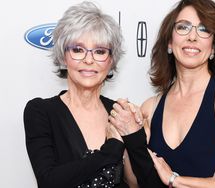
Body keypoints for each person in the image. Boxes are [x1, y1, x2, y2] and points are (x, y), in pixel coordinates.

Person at [109, 0, 215, 187]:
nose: (192, 37)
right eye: (183, 27)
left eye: (204, 29)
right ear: (170, 43)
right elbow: (135, 183)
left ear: (213, 47)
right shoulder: (150, 108)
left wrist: (175, 180)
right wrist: (130, 141)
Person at [23, 1, 135, 188]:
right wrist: (111, 150)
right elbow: (48, 181)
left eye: (99, 51)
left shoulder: (119, 113)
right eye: (78, 50)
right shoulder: (40, 111)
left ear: (111, 61)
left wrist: (136, 139)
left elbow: (136, 183)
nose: (89, 60)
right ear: (63, 56)